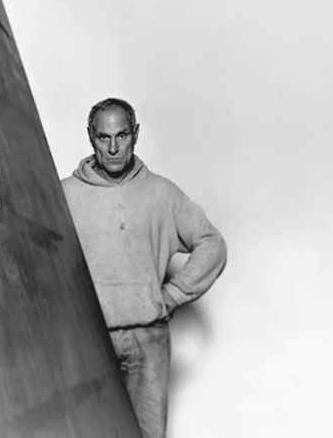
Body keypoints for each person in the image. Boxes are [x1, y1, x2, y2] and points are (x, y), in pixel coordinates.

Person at [61, 98, 227, 438]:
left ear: (135, 134)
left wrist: (173, 294)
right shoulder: (64, 194)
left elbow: (212, 244)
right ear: (91, 137)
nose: (113, 148)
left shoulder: (161, 193)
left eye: (121, 135)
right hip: (88, 337)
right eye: (103, 137)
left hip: (148, 339)